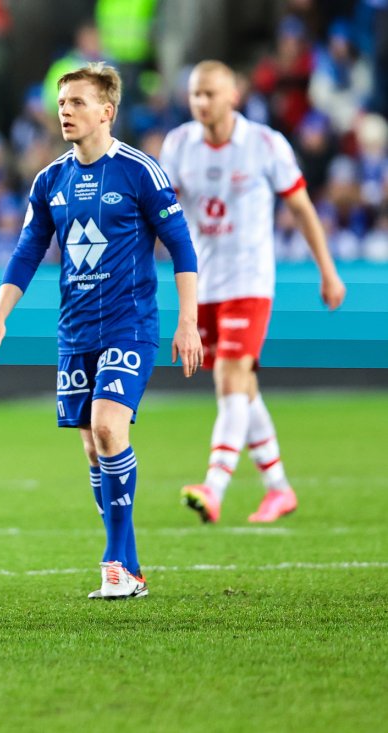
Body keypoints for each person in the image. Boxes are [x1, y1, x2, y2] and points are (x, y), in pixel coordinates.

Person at [0, 62, 202, 600]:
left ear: (107, 111)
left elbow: (182, 246)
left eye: (77, 102)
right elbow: (28, 250)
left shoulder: (139, 172)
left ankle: (115, 561)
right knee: (92, 448)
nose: (65, 111)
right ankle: (130, 565)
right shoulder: (49, 179)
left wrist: (188, 321)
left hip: (130, 325)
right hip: (74, 333)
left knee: (107, 429)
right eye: (61, 102)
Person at [160, 60, 346, 524]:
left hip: (250, 282)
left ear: (233, 96)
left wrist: (328, 270)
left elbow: (301, 209)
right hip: (202, 285)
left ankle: (215, 484)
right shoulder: (179, 144)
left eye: (210, 93)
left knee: (229, 375)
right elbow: (162, 214)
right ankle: (279, 489)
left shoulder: (265, 144)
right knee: (243, 385)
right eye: (195, 95)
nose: (201, 102)